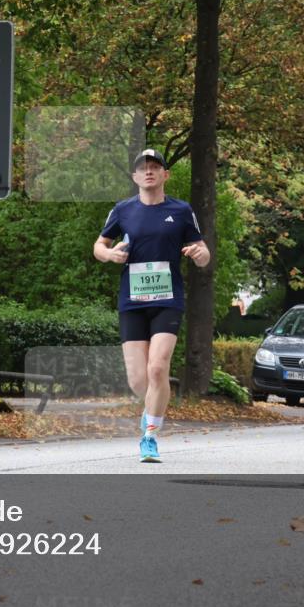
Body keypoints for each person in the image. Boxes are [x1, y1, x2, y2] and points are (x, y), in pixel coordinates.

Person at [93, 149, 210, 462]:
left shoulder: (181, 210)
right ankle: (150, 411)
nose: (148, 172)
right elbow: (99, 245)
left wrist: (200, 255)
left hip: (167, 297)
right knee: (138, 380)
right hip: (132, 299)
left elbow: (202, 250)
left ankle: (150, 436)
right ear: (134, 177)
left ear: (165, 175)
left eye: (155, 167)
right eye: (143, 168)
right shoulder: (123, 210)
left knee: (158, 368)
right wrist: (109, 255)